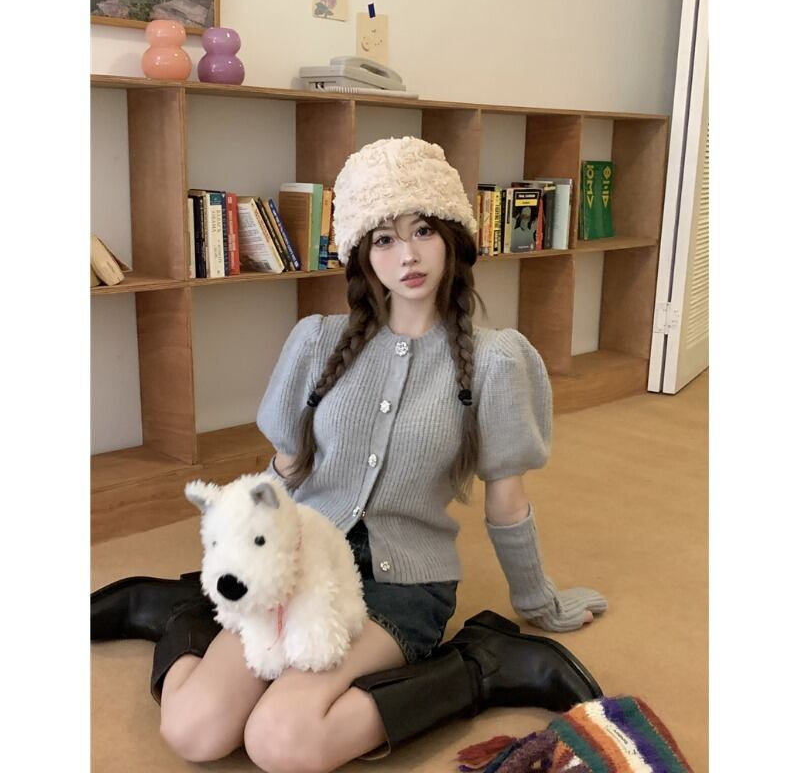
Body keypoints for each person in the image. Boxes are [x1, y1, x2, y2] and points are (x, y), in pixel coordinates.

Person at [91, 137, 608, 773]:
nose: (407, 255)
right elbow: (282, 473)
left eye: (422, 230)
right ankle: (184, 610)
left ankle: (482, 667)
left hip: (402, 585)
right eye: (384, 239)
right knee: (194, 731)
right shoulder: (317, 343)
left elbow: (506, 500)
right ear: (362, 253)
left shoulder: (496, 362)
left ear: (452, 236)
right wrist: (235, 563)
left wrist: (536, 603)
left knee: (283, 742)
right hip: (300, 558)